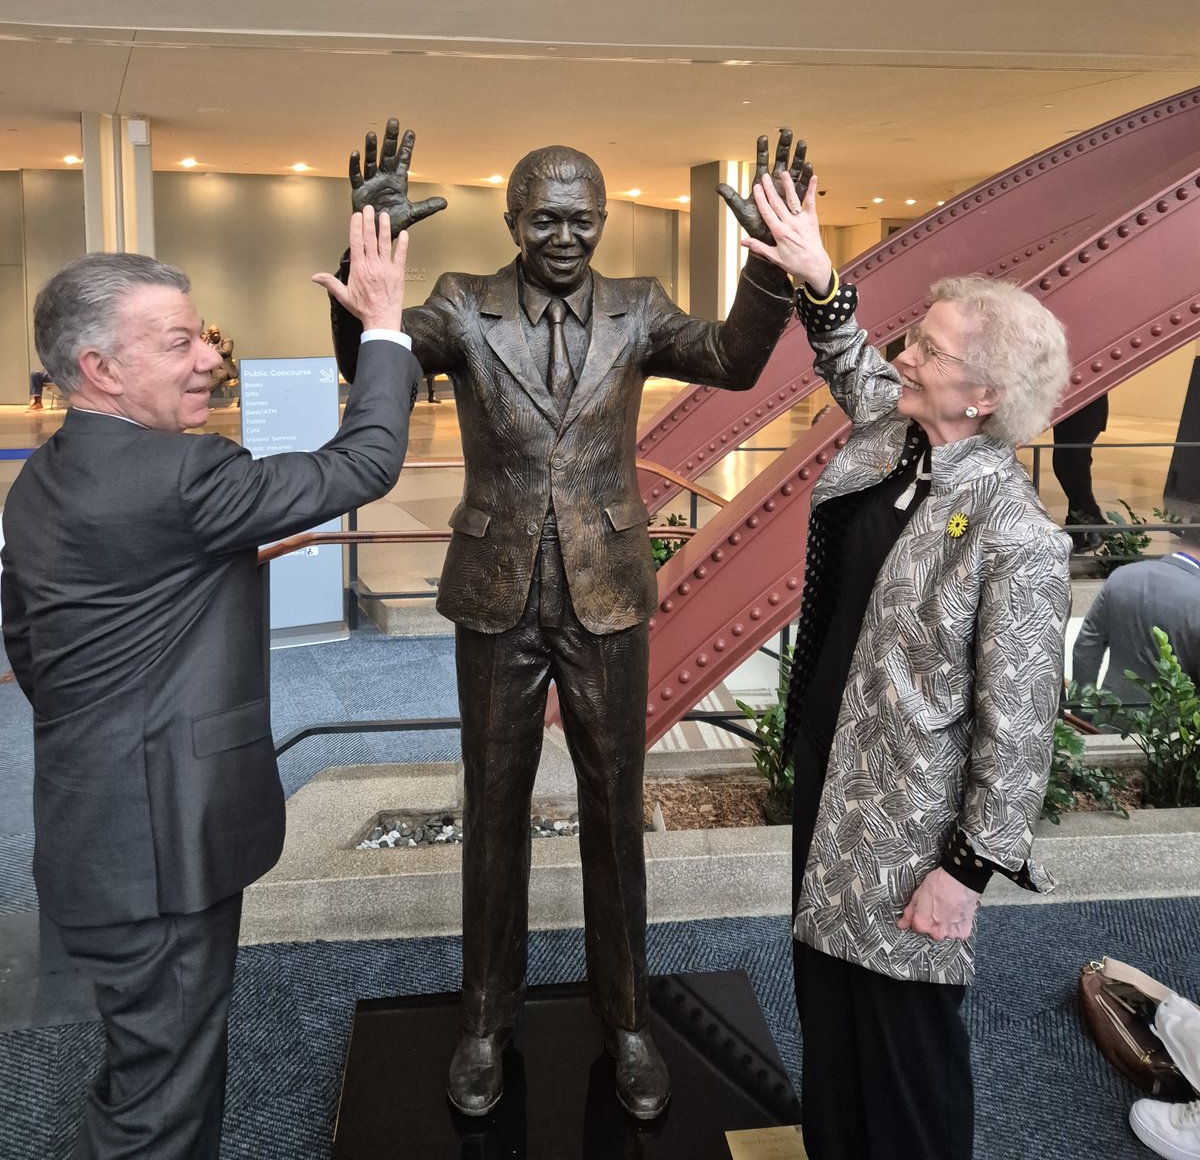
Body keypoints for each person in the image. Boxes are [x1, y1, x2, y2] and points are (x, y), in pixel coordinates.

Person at [330, 121, 809, 1120]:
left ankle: (626, 1017)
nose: (566, 237)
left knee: (613, 813)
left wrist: (770, 271)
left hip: (606, 594)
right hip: (497, 595)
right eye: (546, 218)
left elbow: (731, 359)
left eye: (583, 220)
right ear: (511, 219)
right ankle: (484, 1020)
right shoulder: (465, 303)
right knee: (493, 815)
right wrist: (364, 246)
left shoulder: (638, 308)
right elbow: (373, 351)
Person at [0, 206, 421, 1159]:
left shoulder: (46, 477)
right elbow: (365, 462)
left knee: (143, 1063)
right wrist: (385, 325)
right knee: (163, 1113)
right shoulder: (182, 475)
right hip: (161, 851)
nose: (210, 359)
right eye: (180, 341)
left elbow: (29, 645)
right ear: (99, 368)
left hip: (90, 827)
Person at [746, 169, 1072, 1159]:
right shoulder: (900, 441)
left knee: (905, 1039)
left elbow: (1019, 725)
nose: (904, 353)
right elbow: (855, 364)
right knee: (830, 1007)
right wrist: (816, 278)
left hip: (909, 829)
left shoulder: (1016, 536)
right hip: (834, 784)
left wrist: (964, 872)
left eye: (928, 348)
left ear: (985, 396)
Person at [1072, 550, 1200, 708]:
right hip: (1174, 725)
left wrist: (1083, 711)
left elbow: (1086, 648)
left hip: (1112, 715)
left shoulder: (1122, 576)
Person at [1052, 394, 1109, 550]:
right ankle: (1077, 525)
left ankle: (1094, 520)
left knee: (1073, 466)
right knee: (1067, 466)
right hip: (1068, 411)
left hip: (1085, 408)